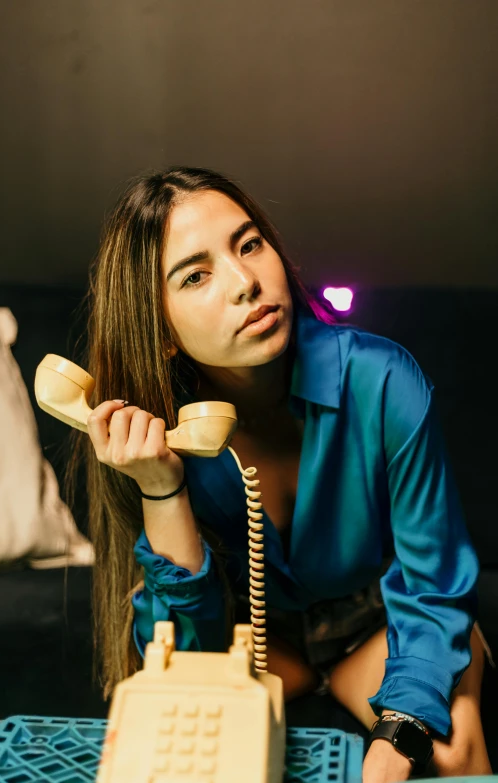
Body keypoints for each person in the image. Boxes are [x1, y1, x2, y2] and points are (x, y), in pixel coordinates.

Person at [68, 165, 492, 780]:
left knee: (451, 753)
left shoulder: (382, 381)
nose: (245, 282)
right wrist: (163, 489)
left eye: (249, 244)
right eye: (196, 275)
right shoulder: (151, 434)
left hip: (377, 625)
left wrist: (400, 728)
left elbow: (433, 582)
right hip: (260, 644)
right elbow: (193, 653)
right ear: (158, 331)